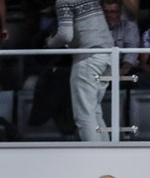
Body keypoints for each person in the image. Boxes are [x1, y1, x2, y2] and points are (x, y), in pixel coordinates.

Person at [46, 0, 113, 142]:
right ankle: (106, 155)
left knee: (84, 115)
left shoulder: (63, 1)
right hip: (107, 56)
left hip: (88, 58)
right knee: (94, 111)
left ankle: (94, 158)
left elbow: (65, 35)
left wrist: (49, 43)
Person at [103, 0, 140, 77]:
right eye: (106, 12)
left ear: (120, 13)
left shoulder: (129, 26)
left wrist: (123, 70)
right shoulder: (96, 26)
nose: (109, 15)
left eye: (113, 12)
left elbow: (132, 51)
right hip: (102, 65)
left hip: (123, 65)